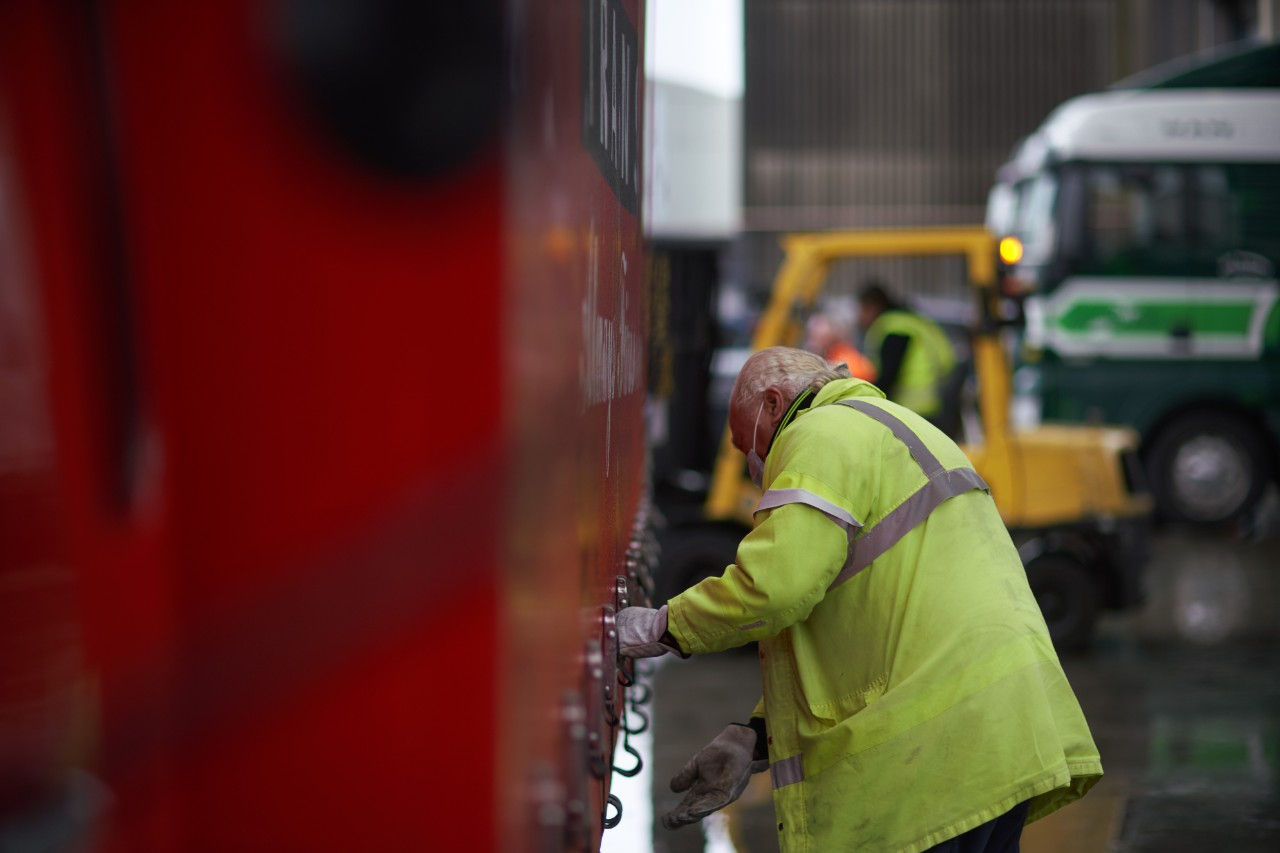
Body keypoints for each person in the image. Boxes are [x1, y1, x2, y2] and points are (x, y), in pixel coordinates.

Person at [617, 346, 1101, 852]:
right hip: (1004, 729)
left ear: (775, 404)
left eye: (746, 444)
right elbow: (868, 617)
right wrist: (757, 737)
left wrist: (659, 627)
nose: (753, 465)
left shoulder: (819, 435)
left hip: (939, 748)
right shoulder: (894, 427)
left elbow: (775, 586)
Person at [857, 280, 958, 429]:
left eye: (862, 310)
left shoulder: (896, 328)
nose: (860, 317)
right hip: (929, 406)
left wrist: (864, 401)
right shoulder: (912, 321)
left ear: (872, 307)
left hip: (910, 410)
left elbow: (889, 375)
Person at [803, 310, 877, 381]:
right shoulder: (830, 358)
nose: (812, 344)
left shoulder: (844, 362)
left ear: (832, 337)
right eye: (811, 337)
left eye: (818, 338)